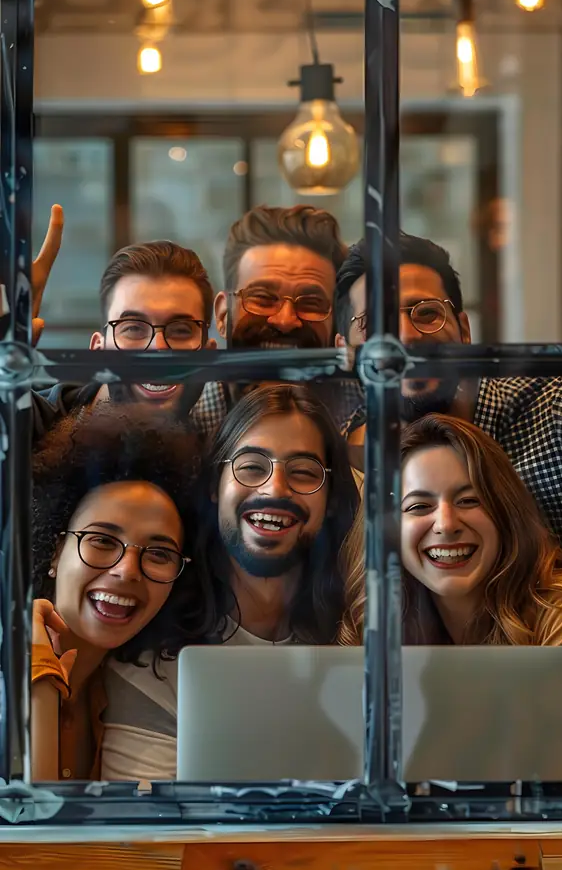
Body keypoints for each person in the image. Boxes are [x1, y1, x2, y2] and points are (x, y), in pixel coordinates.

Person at [101, 383, 361, 780]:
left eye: (304, 472)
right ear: (213, 486)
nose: (274, 489)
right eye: (251, 466)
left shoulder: (362, 637)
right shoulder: (156, 656)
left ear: (331, 504)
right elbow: (141, 833)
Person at [334, 231, 562, 568]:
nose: (406, 335)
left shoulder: (555, 414)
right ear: (345, 352)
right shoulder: (336, 460)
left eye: (427, 313)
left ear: (464, 330)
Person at [398, 414, 562, 780]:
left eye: (469, 499)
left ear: (505, 512)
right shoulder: (393, 626)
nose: (445, 523)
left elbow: (560, 796)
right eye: (419, 507)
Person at [31, 407, 215, 782]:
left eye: (160, 553)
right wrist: (38, 680)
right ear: (55, 552)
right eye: (101, 540)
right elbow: (26, 829)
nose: (127, 570)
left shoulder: (122, 693)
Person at [193, 204, 360, 436]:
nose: (285, 320)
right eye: (262, 298)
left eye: (311, 303)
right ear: (222, 316)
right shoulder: (187, 423)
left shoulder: (369, 417)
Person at [33, 239, 216, 440]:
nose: (159, 350)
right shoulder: (27, 427)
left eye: (181, 331)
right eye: (133, 328)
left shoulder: (222, 448)